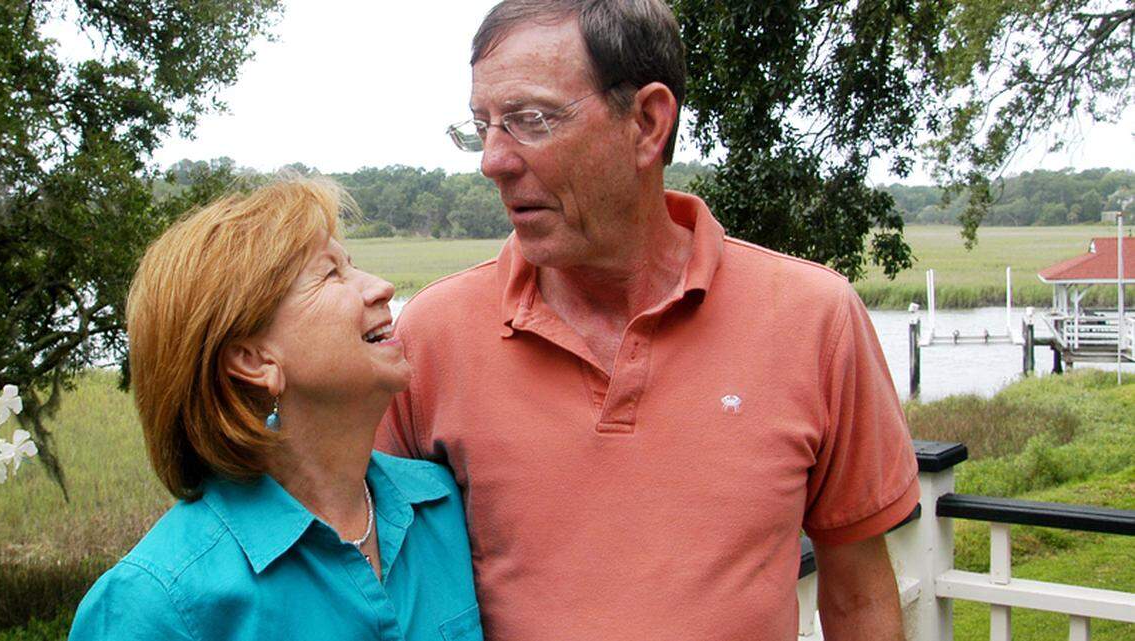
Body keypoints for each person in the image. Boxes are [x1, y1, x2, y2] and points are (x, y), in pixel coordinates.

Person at [376, 1, 919, 639]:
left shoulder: (814, 319)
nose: (492, 160)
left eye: (530, 120)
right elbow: (361, 572)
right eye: (483, 125)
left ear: (647, 122)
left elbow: (859, 597)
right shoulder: (431, 337)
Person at [69, 177, 482, 641]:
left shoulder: (444, 506)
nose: (382, 287)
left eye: (353, 265)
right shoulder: (152, 604)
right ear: (253, 360)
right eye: (331, 275)